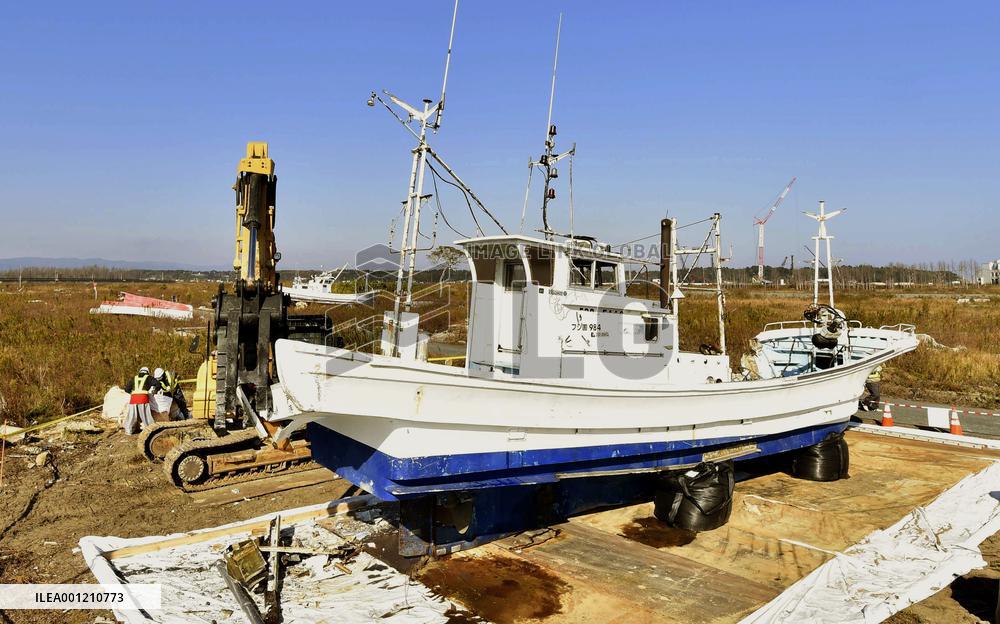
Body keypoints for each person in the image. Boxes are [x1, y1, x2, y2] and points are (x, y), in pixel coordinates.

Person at [123, 366, 156, 434]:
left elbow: (126, 389)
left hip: (133, 399)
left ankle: (128, 431)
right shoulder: (148, 377)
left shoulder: (134, 378)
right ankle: (151, 430)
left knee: (131, 416)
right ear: (147, 372)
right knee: (146, 416)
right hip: (143, 399)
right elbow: (157, 383)